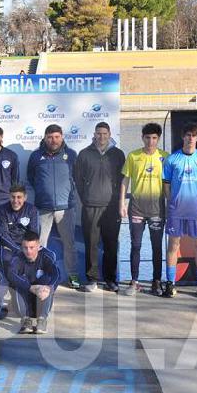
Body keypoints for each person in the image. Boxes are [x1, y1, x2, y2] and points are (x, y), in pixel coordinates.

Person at [161, 123, 197, 299]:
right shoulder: (171, 160)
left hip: (196, 211)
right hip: (177, 211)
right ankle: (170, 283)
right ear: (183, 137)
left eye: (194, 135)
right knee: (173, 246)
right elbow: (166, 186)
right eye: (188, 135)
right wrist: (173, 202)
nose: (190, 138)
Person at [75, 122, 126, 293]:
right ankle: (92, 280)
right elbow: (78, 180)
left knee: (111, 245)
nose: (101, 137)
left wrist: (119, 202)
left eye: (105, 133)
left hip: (111, 207)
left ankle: (110, 280)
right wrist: (87, 198)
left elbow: (123, 181)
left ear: (110, 134)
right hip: (91, 206)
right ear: (94, 134)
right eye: (99, 133)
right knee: (91, 245)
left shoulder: (118, 154)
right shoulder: (84, 154)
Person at [121, 123, 171, 296]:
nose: (151, 141)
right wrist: (122, 202)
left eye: (154, 138)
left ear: (158, 139)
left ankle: (156, 282)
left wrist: (171, 205)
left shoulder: (165, 157)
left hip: (157, 209)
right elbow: (125, 181)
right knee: (136, 246)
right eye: (148, 138)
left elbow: (167, 185)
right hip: (136, 209)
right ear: (142, 138)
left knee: (157, 247)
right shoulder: (133, 156)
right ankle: (134, 282)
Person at [27, 124, 79, 290]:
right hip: (43, 208)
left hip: (66, 207)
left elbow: (76, 177)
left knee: (69, 243)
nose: (53, 140)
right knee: (40, 244)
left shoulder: (71, 155)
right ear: (45, 138)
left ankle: (73, 276)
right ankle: (40, 275)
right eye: (50, 137)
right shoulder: (36, 156)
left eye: (57, 137)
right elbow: (31, 177)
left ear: (62, 137)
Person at [7, 231, 61, 334]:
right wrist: (30, 287)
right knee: (18, 282)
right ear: (21, 247)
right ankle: (26, 320)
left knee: (47, 281)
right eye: (25, 247)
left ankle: (42, 320)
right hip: (23, 303)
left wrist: (49, 288)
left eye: (32, 247)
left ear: (38, 246)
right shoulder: (17, 258)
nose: (28, 251)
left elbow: (57, 274)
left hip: (41, 298)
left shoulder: (46, 256)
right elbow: (11, 275)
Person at [0, 183, 40, 271]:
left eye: (19, 197)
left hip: (26, 245)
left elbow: (34, 233)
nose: (15, 200)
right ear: (9, 196)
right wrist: (17, 249)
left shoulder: (32, 210)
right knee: (8, 259)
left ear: (25, 197)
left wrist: (26, 248)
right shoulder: (1, 210)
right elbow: (3, 235)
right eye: (13, 197)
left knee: (43, 257)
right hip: (8, 246)